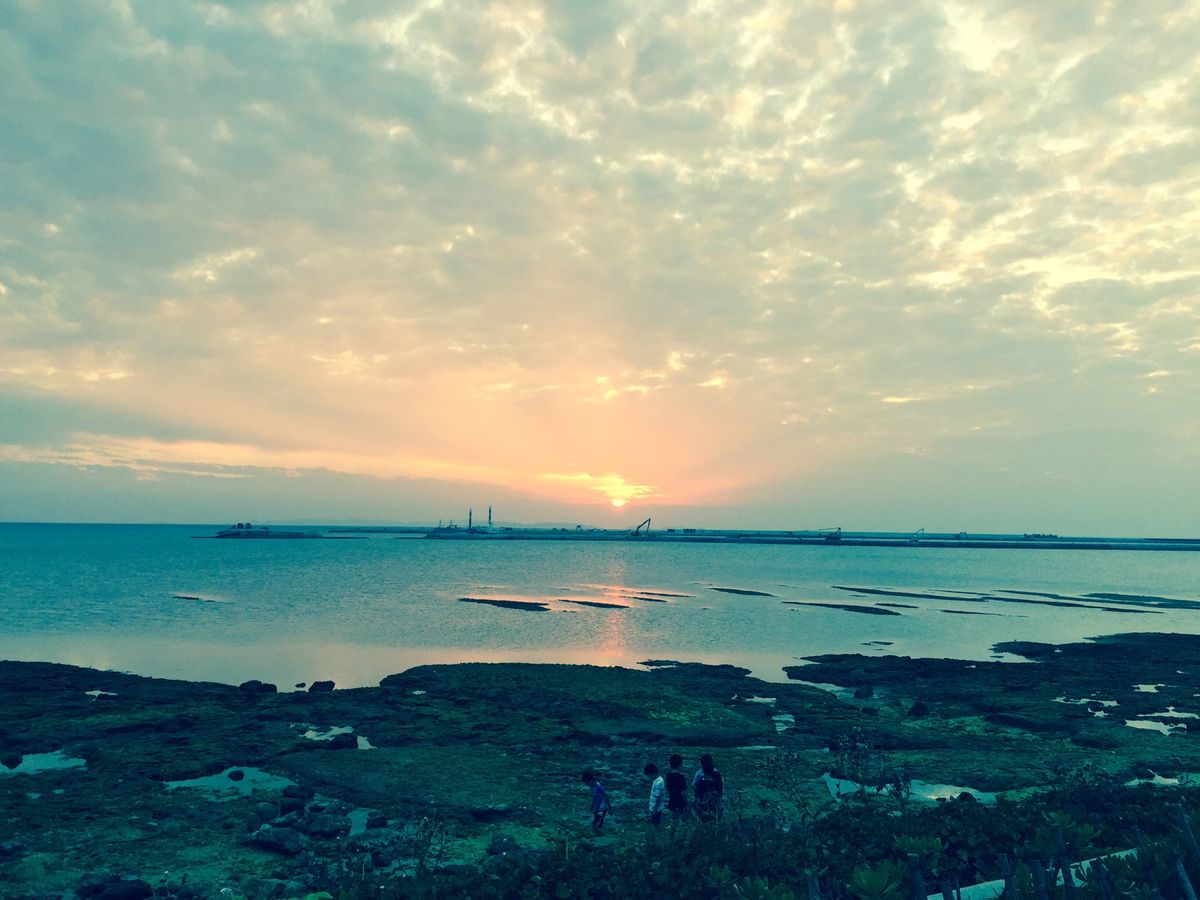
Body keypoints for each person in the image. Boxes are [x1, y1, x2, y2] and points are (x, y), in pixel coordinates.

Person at [692, 753, 724, 821]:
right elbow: (720, 791)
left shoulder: (699, 777)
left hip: (703, 806)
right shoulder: (717, 775)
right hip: (715, 805)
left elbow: (695, 789)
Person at [664, 753, 689, 823]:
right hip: (681, 803)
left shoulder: (668, 776)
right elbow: (684, 793)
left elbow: (668, 791)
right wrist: (687, 804)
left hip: (672, 802)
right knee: (684, 823)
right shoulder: (681, 777)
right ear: (680, 764)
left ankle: (671, 834)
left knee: (673, 822)